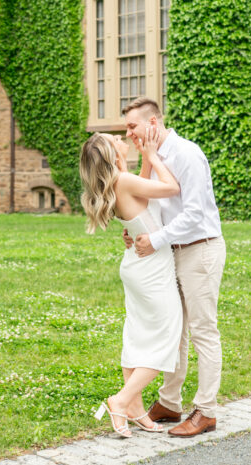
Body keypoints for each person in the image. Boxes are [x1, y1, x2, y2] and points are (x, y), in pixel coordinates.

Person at [122, 97, 225, 438]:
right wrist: (138, 230)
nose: (128, 133)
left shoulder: (187, 154)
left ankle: (206, 411)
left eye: (132, 126)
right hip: (171, 251)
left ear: (153, 123)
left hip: (200, 250)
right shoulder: (154, 158)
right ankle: (169, 401)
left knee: (202, 332)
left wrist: (154, 240)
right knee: (173, 330)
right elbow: (150, 202)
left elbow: (194, 213)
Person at [80, 125, 183, 438]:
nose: (118, 137)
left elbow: (144, 185)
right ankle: (120, 400)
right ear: (110, 154)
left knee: (138, 336)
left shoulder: (118, 179)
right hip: (150, 267)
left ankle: (135, 410)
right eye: (113, 139)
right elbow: (170, 188)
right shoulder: (122, 180)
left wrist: (143, 158)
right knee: (167, 338)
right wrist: (151, 154)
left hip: (137, 265)